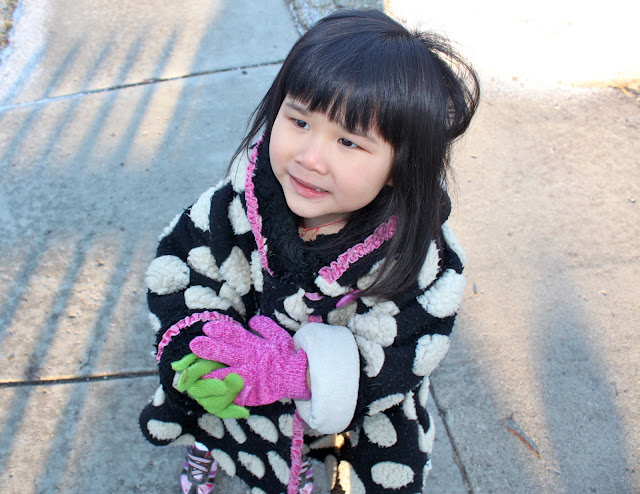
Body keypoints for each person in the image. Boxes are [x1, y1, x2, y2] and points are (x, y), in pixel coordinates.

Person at [139, 8, 479, 494]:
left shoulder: (417, 257)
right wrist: (201, 337)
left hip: (351, 401)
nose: (311, 157)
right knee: (212, 409)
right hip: (239, 386)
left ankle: (301, 456)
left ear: (401, 166)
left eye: (348, 141)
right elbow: (182, 265)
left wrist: (298, 374)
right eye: (299, 121)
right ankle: (207, 445)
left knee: (358, 448)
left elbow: (406, 344)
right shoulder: (239, 202)